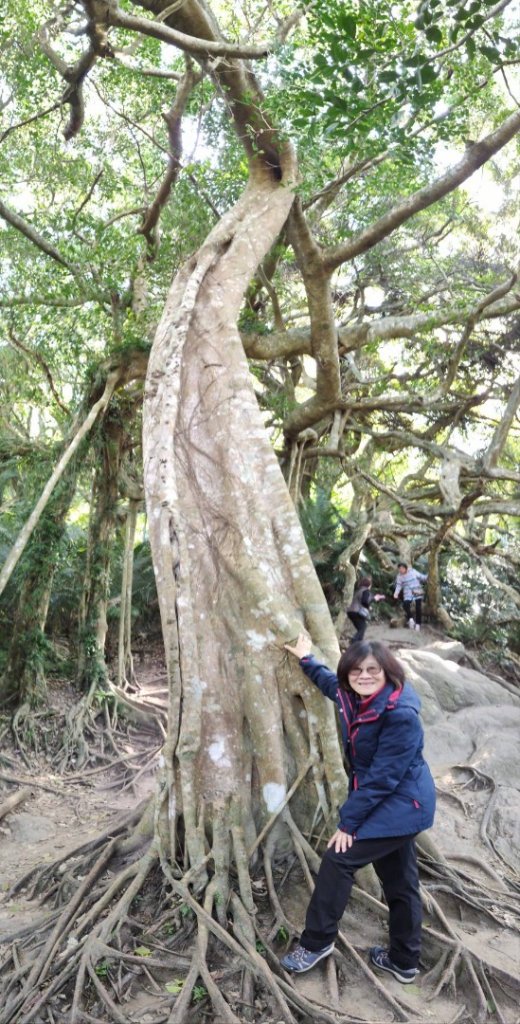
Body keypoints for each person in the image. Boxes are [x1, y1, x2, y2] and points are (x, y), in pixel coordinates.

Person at [280, 633, 435, 984]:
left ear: (388, 672)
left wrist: (348, 824)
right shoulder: (355, 696)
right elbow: (331, 684)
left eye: (372, 670)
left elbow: (382, 779)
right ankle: (404, 961)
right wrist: (307, 658)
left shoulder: (400, 714)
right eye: (356, 670)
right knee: (400, 880)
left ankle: (317, 942)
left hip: (402, 803)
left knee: (339, 858)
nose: (364, 676)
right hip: (395, 800)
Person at [345, 575, 385, 644]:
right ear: (369, 585)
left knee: (361, 628)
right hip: (356, 612)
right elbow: (364, 601)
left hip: (350, 612)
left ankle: (358, 643)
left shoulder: (359, 590)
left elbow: (362, 601)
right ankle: (353, 642)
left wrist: (372, 600)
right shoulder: (365, 591)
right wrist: (373, 600)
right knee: (362, 628)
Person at [393, 562, 427, 631]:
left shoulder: (413, 572)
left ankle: (418, 624)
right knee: (405, 604)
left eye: (402, 568)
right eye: (399, 569)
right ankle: (410, 619)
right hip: (407, 592)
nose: (401, 570)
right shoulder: (399, 576)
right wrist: (396, 593)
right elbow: (399, 586)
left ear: (406, 568)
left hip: (417, 591)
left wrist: (429, 576)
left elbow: (422, 577)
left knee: (418, 607)